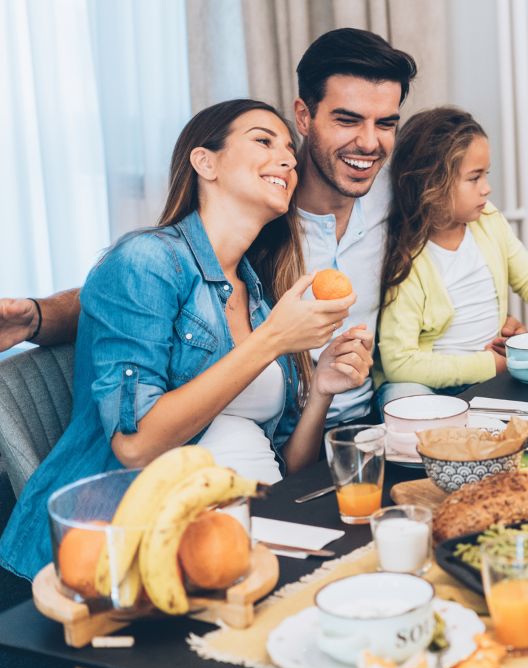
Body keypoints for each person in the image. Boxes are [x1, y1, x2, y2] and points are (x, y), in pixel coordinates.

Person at [0, 100, 374, 580]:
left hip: (264, 520)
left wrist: (322, 388)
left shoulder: (257, 294)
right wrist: (273, 341)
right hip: (146, 543)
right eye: (264, 140)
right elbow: (135, 446)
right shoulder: (147, 261)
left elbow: (289, 463)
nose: (288, 158)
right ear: (205, 162)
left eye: (288, 147)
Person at [0, 28, 444, 425]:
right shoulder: (260, 210)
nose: (369, 142)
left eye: (385, 124)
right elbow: (149, 290)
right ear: (305, 117)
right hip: (280, 434)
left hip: (373, 420)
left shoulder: (399, 198)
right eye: (347, 120)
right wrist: (40, 317)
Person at [375, 107, 528, 403]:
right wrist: (489, 365)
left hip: (491, 372)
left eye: (486, 175)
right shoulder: (408, 260)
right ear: (431, 184)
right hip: (430, 383)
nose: (487, 189)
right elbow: (400, 364)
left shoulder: (489, 221)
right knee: (402, 397)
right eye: (474, 178)